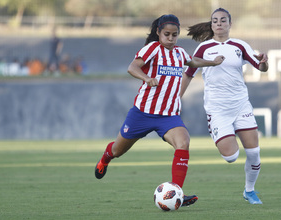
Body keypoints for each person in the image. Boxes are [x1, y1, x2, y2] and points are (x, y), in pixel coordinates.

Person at [95, 14, 224, 207]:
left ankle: (177, 193)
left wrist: (212, 62)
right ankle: (105, 158)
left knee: (183, 142)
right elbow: (132, 67)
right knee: (117, 150)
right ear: (158, 33)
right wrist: (146, 78)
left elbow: (193, 61)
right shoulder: (153, 49)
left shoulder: (179, 53)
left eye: (174, 35)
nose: (170, 38)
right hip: (143, 114)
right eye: (166, 34)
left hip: (169, 116)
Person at [181, 8, 269, 204]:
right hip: (217, 109)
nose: (219, 23)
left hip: (241, 105)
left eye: (223, 20)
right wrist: (177, 98)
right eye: (215, 21)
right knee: (231, 157)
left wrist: (264, 63)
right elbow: (188, 74)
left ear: (230, 24)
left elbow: (260, 67)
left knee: (254, 153)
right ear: (211, 25)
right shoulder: (203, 49)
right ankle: (222, 132)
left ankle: (249, 190)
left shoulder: (239, 45)